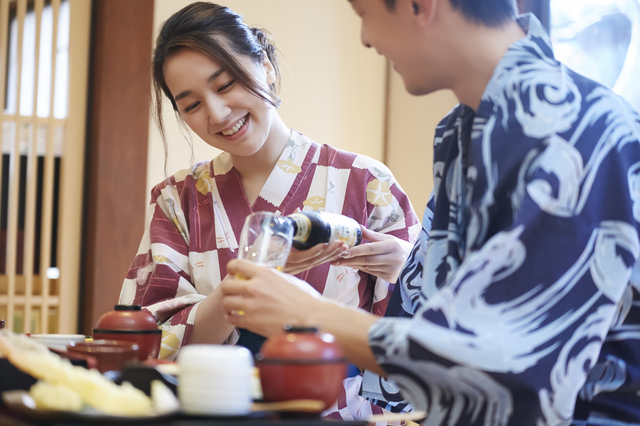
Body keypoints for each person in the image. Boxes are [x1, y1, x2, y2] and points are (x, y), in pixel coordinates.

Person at [220, 0, 640, 424]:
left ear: (419, 6)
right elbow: (436, 318)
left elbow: (505, 365)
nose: (366, 39)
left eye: (365, 14)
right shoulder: (460, 132)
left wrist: (307, 312)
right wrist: (380, 258)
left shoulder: (580, 130)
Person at [117, 1, 420, 421]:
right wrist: (235, 292)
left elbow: (433, 337)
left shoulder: (366, 183)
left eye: (225, 86)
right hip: (210, 412)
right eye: (191, 105)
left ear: (265, 65)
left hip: (338, 414)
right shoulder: (177, 200)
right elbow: (143, 338)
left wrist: (403, 269)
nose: (217, 114)